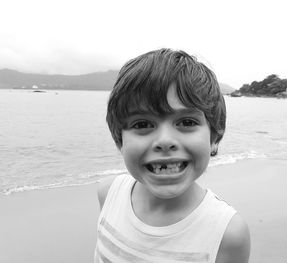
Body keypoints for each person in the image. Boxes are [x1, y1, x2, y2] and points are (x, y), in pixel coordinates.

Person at [95, 48, 250, 263]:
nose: (165, 141)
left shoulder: (226, 232)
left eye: (186, 122)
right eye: (142, 124)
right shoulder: (109, 192)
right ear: (119, 140)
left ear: (214, 136)